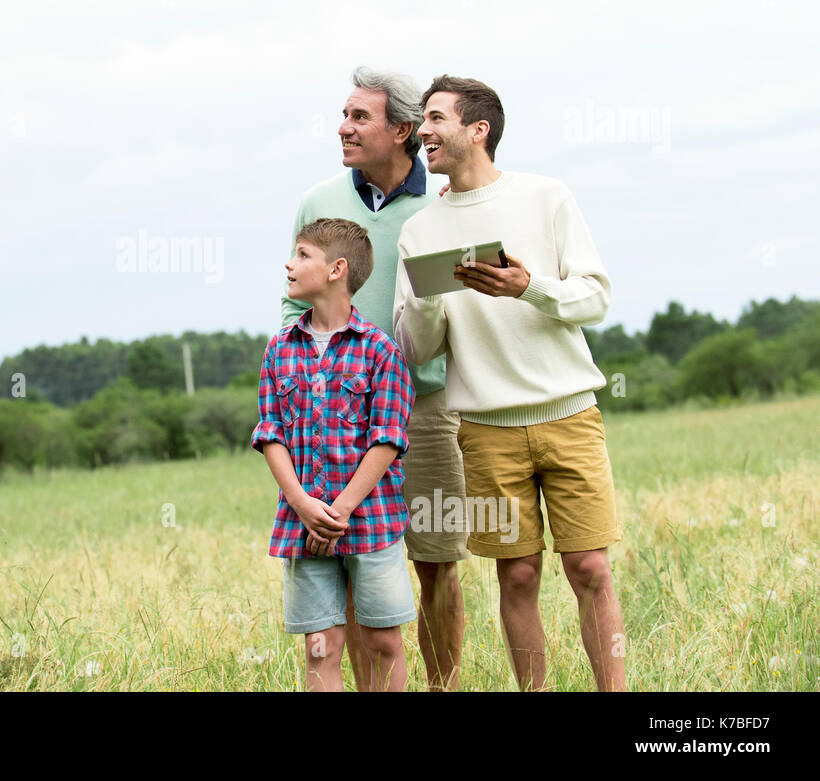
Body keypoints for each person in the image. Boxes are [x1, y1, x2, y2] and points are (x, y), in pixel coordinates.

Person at [393, 75, 626, 691]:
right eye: (422, 120)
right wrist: (425, 297)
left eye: (436, 118)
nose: (423, 131)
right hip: (485, 430)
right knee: (516, 575)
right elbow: (418, 349)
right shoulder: (422, 230)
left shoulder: (547, 197)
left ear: (478, 129)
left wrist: (531, 287)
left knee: (590, 568)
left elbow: (595, 298)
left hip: (568, 413)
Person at [281, 67, 467, 690]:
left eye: (361, 118)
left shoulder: (442, 202)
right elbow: (293, 308)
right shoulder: (319, 202)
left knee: (437, 563)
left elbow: (453, 303)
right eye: (345, 114)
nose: (344, 127)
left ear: (404, 130)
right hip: (338, 417)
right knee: (356, 563)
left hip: (428, 408)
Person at [252, 217, 416, 691]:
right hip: (302, 523)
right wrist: (305, 506)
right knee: (320, 645)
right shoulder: (279, 350)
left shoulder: (380, 351)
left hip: (371, 520)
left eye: (302, 254)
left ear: (336, 269)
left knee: (384, 641)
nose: (290, 263)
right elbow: (271, 435)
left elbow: (387, 439)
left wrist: (340, 511)